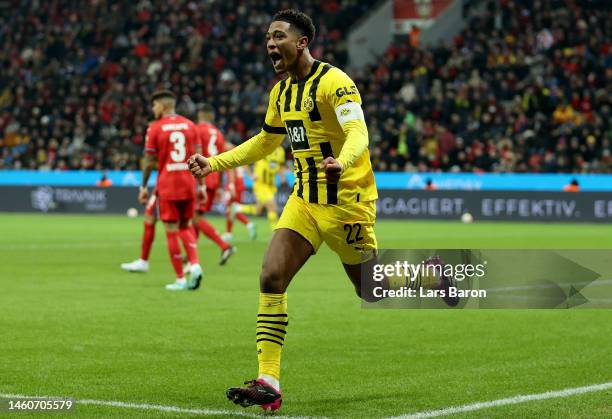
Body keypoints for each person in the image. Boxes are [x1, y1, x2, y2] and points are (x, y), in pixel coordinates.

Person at [188, 10, 379, 411]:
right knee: (271, 276)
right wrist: (215, 162)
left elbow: (358, 131)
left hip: (346, 205)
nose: (270, 44)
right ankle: (268, 382)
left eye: (278, 36)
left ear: (302, 42)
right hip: (304, 201)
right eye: (267, 38)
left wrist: (341, 163)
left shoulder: (335, 82)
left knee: (372, 290)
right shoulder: (280, 93)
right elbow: (265, 142)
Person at [142, 89, 204, 291]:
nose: (153, 109)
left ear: (162, 106)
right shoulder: (190, 125)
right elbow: (199, 158)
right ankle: (194, 264)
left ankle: (179, 278)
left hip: (168, 185)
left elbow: (150, 161)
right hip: (188, 184)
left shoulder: (155, 128)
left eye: (154, 105)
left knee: (171, 230)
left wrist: (143, 186)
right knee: (186, 226)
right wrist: (201, 185)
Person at [194, 103, 236, 264]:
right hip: (214, 176)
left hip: (200, 178)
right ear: (211, 116)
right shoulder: (218, 134)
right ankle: (192, 255)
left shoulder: (197, 129)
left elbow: (195, 154)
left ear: (200, 115)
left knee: (193, 217)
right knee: (198, 216)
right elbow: (221, 161)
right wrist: (219, 186)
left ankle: (225, 246)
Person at [231, 146, 286, 230]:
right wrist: (250, 174)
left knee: (258, 210)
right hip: (260, 184)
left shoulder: (281, 150)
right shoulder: (265, 147)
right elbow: (246, 159)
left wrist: (282, 177)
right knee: (272, 207)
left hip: (271, 186)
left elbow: (281, 164)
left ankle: (238, 208)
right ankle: (275, 232)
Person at [222, 165, 256, 242]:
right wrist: (251, 177)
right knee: (232, 210)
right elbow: (246, 167)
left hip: (235, 185)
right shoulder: (240, 155)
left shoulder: (231, 154)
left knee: (231, 209)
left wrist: (231, 186)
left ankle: (248, 224)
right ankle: (229, 233)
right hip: (240, 185)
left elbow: (231, 170)